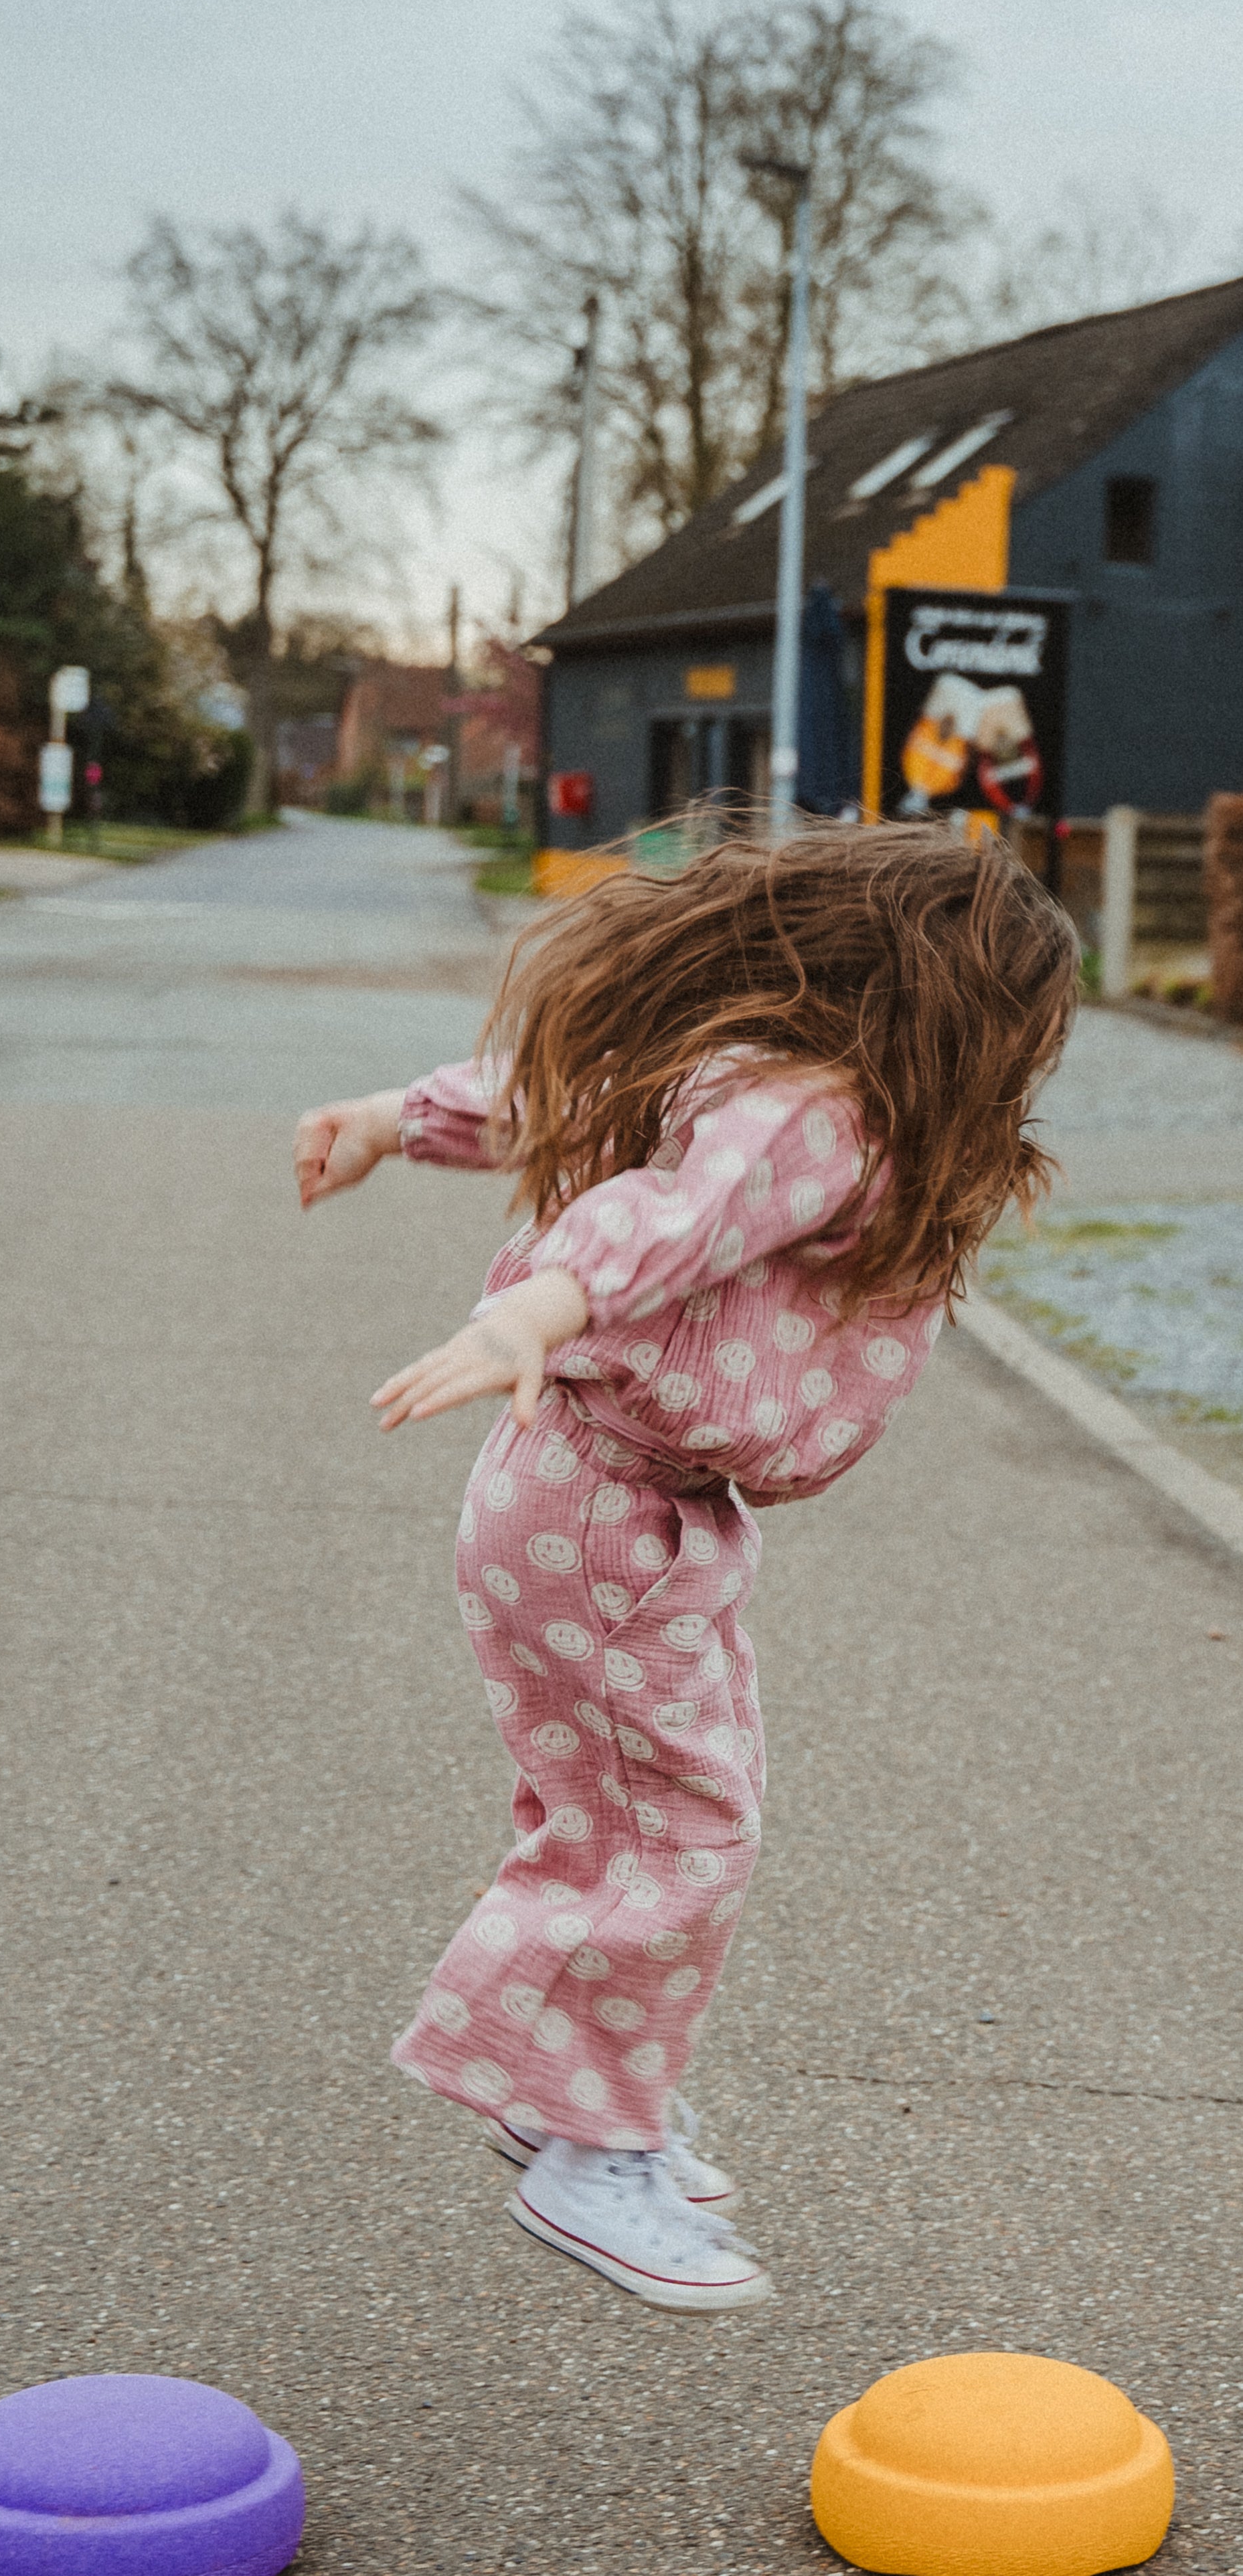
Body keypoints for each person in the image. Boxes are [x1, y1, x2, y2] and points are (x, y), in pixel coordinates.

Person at [293, 826, 1079, 2313]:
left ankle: (576, 2085)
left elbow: (564, 1097)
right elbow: (668, 1216)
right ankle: (592, 2145)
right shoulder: (820, 1116)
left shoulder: (758, 1078)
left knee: (652, 1807)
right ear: (945, 1011)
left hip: (632, 1505)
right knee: (676, 1832)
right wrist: (544, 1302)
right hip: (598, 1497)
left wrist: (396, 1116)